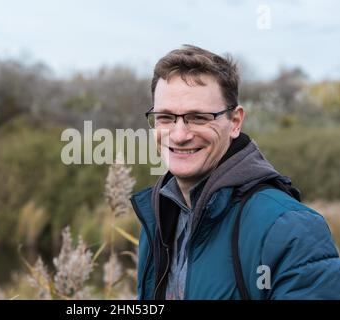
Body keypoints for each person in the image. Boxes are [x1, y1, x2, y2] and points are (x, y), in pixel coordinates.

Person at [131, 45, 340, 300]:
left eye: (198, 117)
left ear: (235, 122)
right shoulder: (158, 217)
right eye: (165, 117)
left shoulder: (291, 229)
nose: (179, 135)